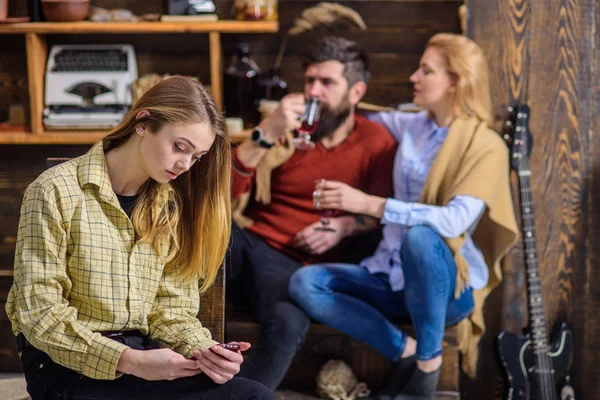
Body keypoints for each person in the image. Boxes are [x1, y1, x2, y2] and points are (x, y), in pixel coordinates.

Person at [6, 76, 273, 400]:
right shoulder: (54, 191)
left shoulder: (167, 206)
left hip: (144, 358)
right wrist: (129, 361)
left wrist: (206, 351)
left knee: (253, 395)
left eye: (196, 157)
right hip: (64, 368)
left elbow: (171, 309)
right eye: (180, 147)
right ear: (143, 123)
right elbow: (40, 314)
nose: (185, 165)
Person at [289, 33, 519, 400]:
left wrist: (369, 205)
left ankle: (428, 366)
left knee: (421, 235)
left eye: (426, 70)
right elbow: (357, 110)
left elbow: (454, 222)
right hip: (391, 275)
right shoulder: (412, 124)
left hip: (446, 290)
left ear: (454, 82)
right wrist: (311, 101)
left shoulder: (486, 146)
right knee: (306, 283)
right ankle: (407, 352)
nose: (414, 77)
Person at [229, 36, 397, 390]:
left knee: (289, 324)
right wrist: (267, 132)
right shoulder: (282, 128)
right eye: (309, 81)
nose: (314, 91)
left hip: (297, 268)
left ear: (356, 92)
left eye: (327, 82)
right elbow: (220, 197)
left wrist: (346, 225)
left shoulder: (377, 141)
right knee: (211, 229)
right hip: (249, 241)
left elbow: (381, 213)